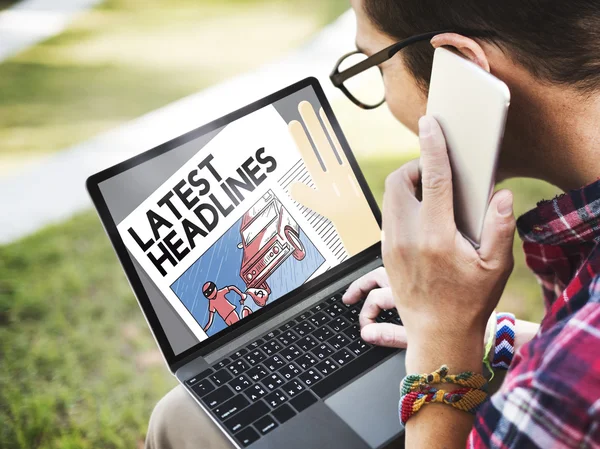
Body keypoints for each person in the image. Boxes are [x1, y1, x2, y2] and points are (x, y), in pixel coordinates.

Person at [145, 0, 600, 448]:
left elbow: (570, 378)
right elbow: (567, 352)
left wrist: (441, 344)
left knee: (177, 420)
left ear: (463, 69)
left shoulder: (569, 390)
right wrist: (484, 334)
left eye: (374, 66)